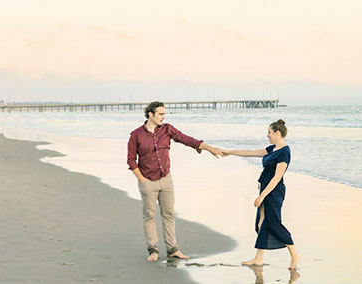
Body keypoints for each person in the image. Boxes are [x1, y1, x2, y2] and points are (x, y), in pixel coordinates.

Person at [126, 101, 224, 261]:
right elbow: (131, 160)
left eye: (164, 114)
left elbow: (187, 139)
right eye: (160, 114)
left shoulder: (167, 129)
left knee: (169, 214)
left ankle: (172, 249)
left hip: (166, 179)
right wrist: (142, 180)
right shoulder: (136, 135)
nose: (163, 117)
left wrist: (209, 148)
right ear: (150, 114)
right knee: (149, 216)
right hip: (147, 181)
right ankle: (153, 250)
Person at [222, 119, 301, 269]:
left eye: (269, 133)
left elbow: (277, 177)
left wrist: (262, 196)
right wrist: (230, 152)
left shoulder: (284, 152)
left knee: (273, 223)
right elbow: (251, 153)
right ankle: (259, 258)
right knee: (261, 224)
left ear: (277, 133)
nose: (267, 135)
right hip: (265, 189)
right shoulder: (272, 149)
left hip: (273, 192)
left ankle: (295, 254)